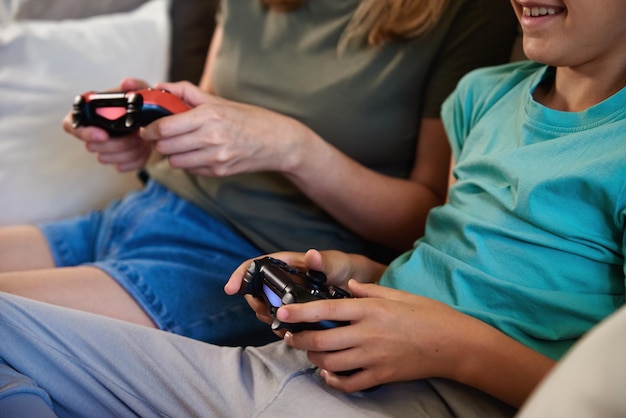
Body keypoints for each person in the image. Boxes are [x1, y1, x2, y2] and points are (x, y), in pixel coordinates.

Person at [1, 0, 624, 416]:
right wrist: (162, 127)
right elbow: (452, 253)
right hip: (169, 221)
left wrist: (291, 145)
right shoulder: (488, 97)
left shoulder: (467, 28)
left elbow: (590, 379)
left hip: (227, 259)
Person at [0, 0, 517, 345]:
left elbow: (428, 220)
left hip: (236, 262)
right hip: (141, 212)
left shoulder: (468, 13)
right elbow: (218, 117)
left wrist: (294, 149)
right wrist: (155, 141)